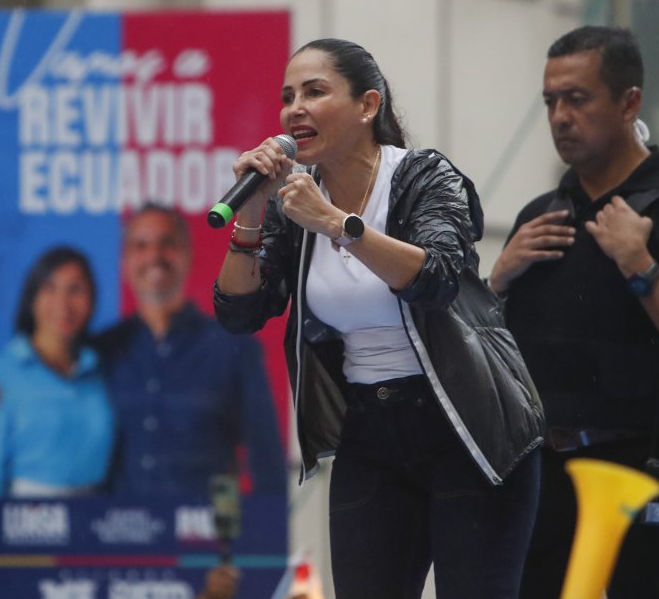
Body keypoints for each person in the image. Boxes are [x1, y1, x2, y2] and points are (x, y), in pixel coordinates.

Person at [213, 38, 544, 599]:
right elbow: (239, 313)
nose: (295, 109)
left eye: (314, 92)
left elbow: (437, 278)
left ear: (368, 105)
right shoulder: (293, 202)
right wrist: (250, 210)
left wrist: (338, 224)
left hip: (468, 421)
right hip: (370, 430)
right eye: (287, 97)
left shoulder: (423, 177)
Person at [489, 26, 659, 599]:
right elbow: (494, 359)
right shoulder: (541, 217)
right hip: (542, 477)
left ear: (630, 103)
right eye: (551, 101)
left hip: (645, 473)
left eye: (577, 99)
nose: (559, 117)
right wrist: (498, 279)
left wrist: (641, 266)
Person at [95, 204, 287, 497]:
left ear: (188, 254)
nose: (154, 256)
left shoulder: (234, 349)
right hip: (118, 522)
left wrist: (267, 522)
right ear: (124, 261)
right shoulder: (102, 351)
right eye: (140, 245)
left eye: (167, 243)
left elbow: (267, 459)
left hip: (208, 522)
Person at [0, 246, 115, 497]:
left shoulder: (100, 370)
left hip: (95, 514)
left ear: (92, 299)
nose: (63, 303)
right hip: (24, 515)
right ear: (32, 297)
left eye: (75, 289)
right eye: (50, 288)